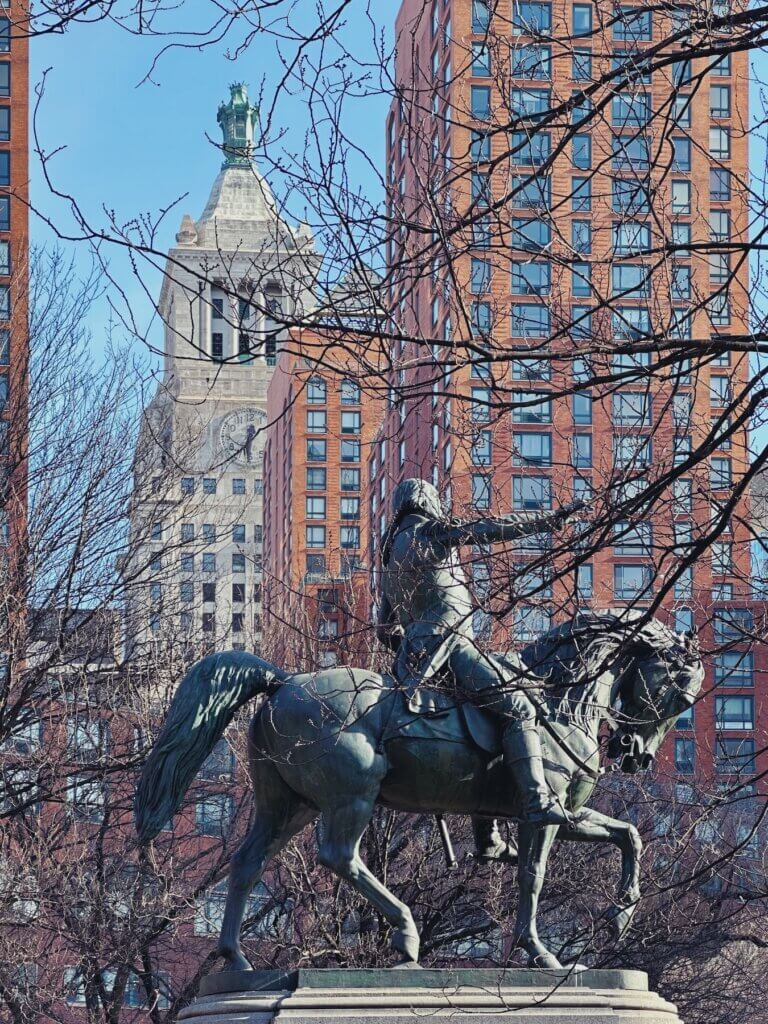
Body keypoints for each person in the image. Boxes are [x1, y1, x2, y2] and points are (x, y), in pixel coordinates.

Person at [377, 478, 584, 831]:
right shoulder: (431, 533)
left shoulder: (391, 555)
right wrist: (549, 521)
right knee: (518, 707)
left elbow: (385, 629)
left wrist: (413, 646)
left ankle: (489, 837)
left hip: (414, 662)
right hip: (452, 647)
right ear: (428, 502)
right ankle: (537, 799)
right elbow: (489, 528)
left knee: (482, 718)